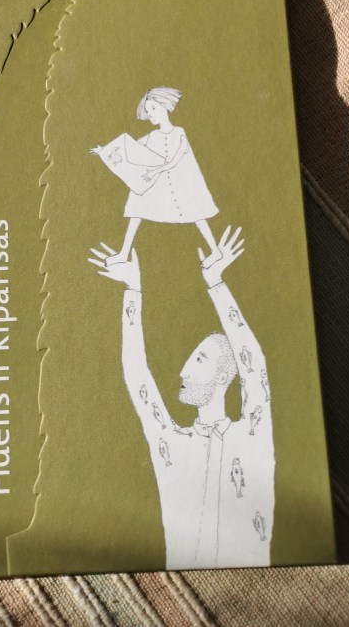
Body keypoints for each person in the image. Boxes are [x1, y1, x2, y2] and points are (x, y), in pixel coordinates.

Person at [89, 226, 275, 569]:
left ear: (224, 376)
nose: (184, 371)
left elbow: (254, 366)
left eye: (200, 360)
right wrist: (132, 290)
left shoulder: (251, 434)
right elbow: (137, 375)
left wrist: (216, 284)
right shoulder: (172, 445)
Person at [91, 87, 220, 267]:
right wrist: (105, 150)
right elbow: (130, 148)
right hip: (159, 184)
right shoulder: (152, 136)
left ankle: (216, 251)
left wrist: (154, 171)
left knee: (196, 212)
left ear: (164, 106)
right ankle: (123, 253)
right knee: (136, 205)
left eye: (153, 108)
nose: (150, 113)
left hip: (179, 183)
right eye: (147, 110)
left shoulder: (179, 132)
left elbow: (175, 160)